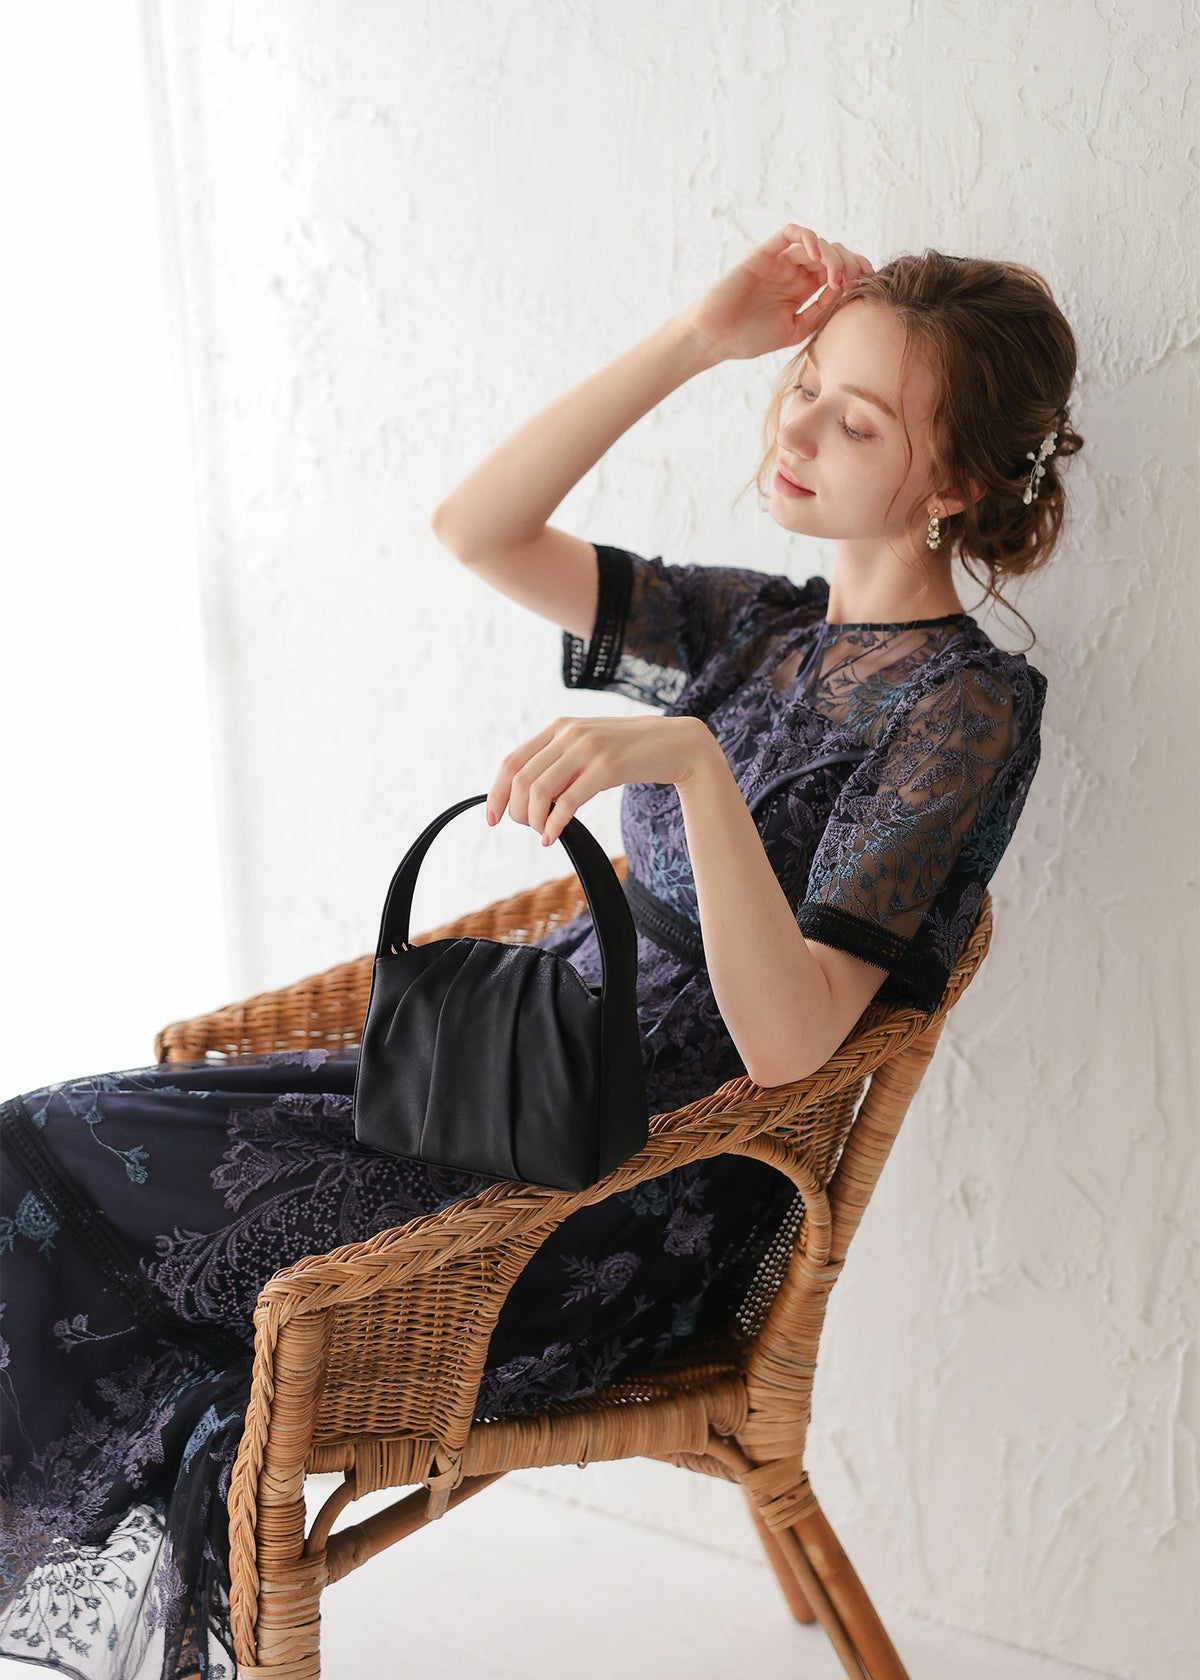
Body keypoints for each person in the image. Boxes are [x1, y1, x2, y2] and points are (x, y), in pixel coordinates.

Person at [0, 223, 1080, 1678]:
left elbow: (790, 1046)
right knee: (40, 1145)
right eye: (806, 383)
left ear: (953, 486)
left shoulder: (965, 708)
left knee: (113, 1217)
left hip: (621, 1184)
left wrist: (694, 765)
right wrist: (698, 341)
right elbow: (477, 528)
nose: (797, 426)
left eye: (858, 419)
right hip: (505, 1070)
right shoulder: (758, 630)